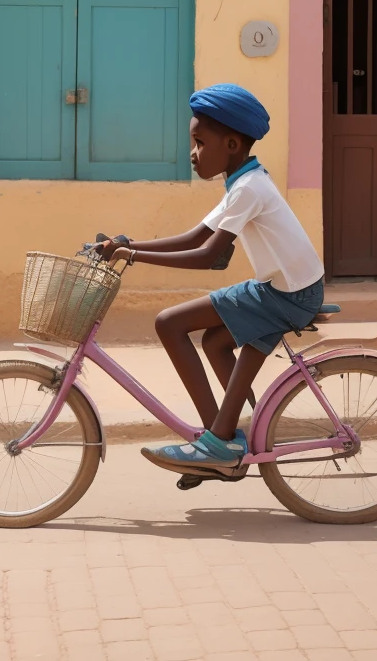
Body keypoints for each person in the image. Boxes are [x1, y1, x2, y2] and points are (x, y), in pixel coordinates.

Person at [99, 83, 325, 474]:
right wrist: (128, 244)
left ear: (232, 145)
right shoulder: (242, 182)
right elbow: (194, 236)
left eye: (200, 142)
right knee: (215, 343)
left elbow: (206, 255)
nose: (193, 152)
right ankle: (226, 438)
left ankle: (217, 442)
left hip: (288, 295)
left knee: (170, 322)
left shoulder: (249, 189)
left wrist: (132, 256)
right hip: (284, 288)